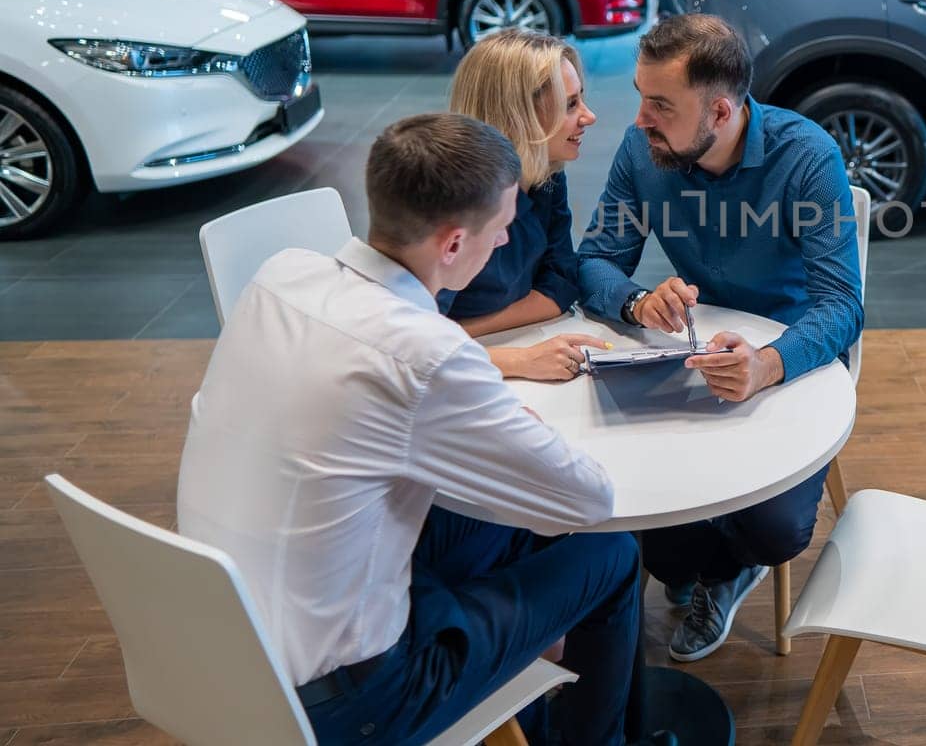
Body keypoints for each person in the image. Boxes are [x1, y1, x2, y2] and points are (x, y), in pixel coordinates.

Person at [176, 113, 635, 746]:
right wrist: (504, 438)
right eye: (500, 230)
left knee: (482, 525)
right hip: (351, 701)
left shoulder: (280, 276)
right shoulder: (428, 354)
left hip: (220, 646)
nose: (504, 244)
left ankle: (523, 691)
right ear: (452, 245)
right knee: (613, 554)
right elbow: (588, 500)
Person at [577, 13, 863, 663]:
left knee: (777, 530)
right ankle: (699, 562)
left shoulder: (806, 156)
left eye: (660, 106)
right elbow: (594, 260)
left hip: (792, 363)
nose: (640, 118)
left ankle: (725, 568)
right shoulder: (640, 152)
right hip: (691, 354)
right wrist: (637, 299)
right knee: (645, 528)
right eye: (640, 97)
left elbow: (842, 304)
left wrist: (768, 365)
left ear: (722, 111)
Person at [442, 30, 601, 381]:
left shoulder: (546, 174)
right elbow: (413, 345)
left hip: (484, 351)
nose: (589, 117)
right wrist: (519, 360)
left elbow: (561, 283)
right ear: (519, 115)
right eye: (570, 105)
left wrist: (467, 330)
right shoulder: (451, 203)